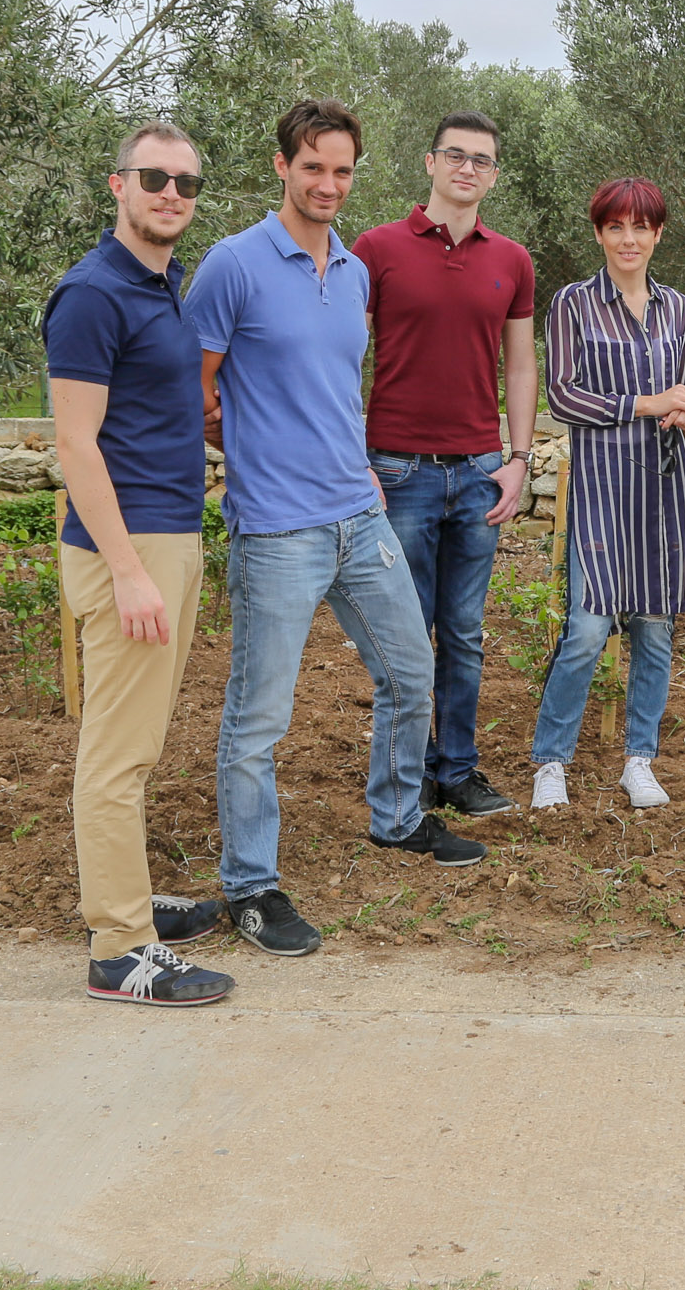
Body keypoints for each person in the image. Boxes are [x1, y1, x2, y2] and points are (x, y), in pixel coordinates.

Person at [189, 98, 484, 958]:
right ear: (282, 165)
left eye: (343, 170)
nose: (328, 184)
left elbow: (329, 384)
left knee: (412, 667)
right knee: (258, 719)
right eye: (313, 167)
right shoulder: (233, 264)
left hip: (360, 512)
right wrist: (243, 444)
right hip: (278, 529)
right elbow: (194, 386)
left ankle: (395, 819)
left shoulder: (353, 272)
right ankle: (249, 886)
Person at [48, 122, 232, 1006]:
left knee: (139, 743)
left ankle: (126, 899)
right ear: (116, 185)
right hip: (129, 546)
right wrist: (125, 569)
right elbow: (77, 447)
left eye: (187, 184)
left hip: (170, 534)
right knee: (115, 755)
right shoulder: (91, 293)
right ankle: (120, 948)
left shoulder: (164, 287)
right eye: (155, 178)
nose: (172, 194)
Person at [355, 111, 539, 818]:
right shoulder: (377, 250)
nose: (468, 168)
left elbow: (521, 367)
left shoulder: (512, 261)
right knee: (404, 634)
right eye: (456, 156)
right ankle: (405, 781)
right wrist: (355, 456)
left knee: (462, 632)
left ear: (493, 175)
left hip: (479, 473)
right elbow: (345, 355)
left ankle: (456, 771)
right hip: (398, 471)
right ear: (430, 163)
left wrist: (519, 459)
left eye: (482, 160)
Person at [529, 177, 685, 812]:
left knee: (656, 631)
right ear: (599, 232)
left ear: (658, 234)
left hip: (665, 488)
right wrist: (647, 402)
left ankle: (640, 760)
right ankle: (551, 762)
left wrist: (684, 407)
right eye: (616, 227)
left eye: (641, 227)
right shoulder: (574, 304)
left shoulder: (679, 309)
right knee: (586, 629)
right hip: (604, 489)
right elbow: (562, 396)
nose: (628, 239)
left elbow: (680, 389)